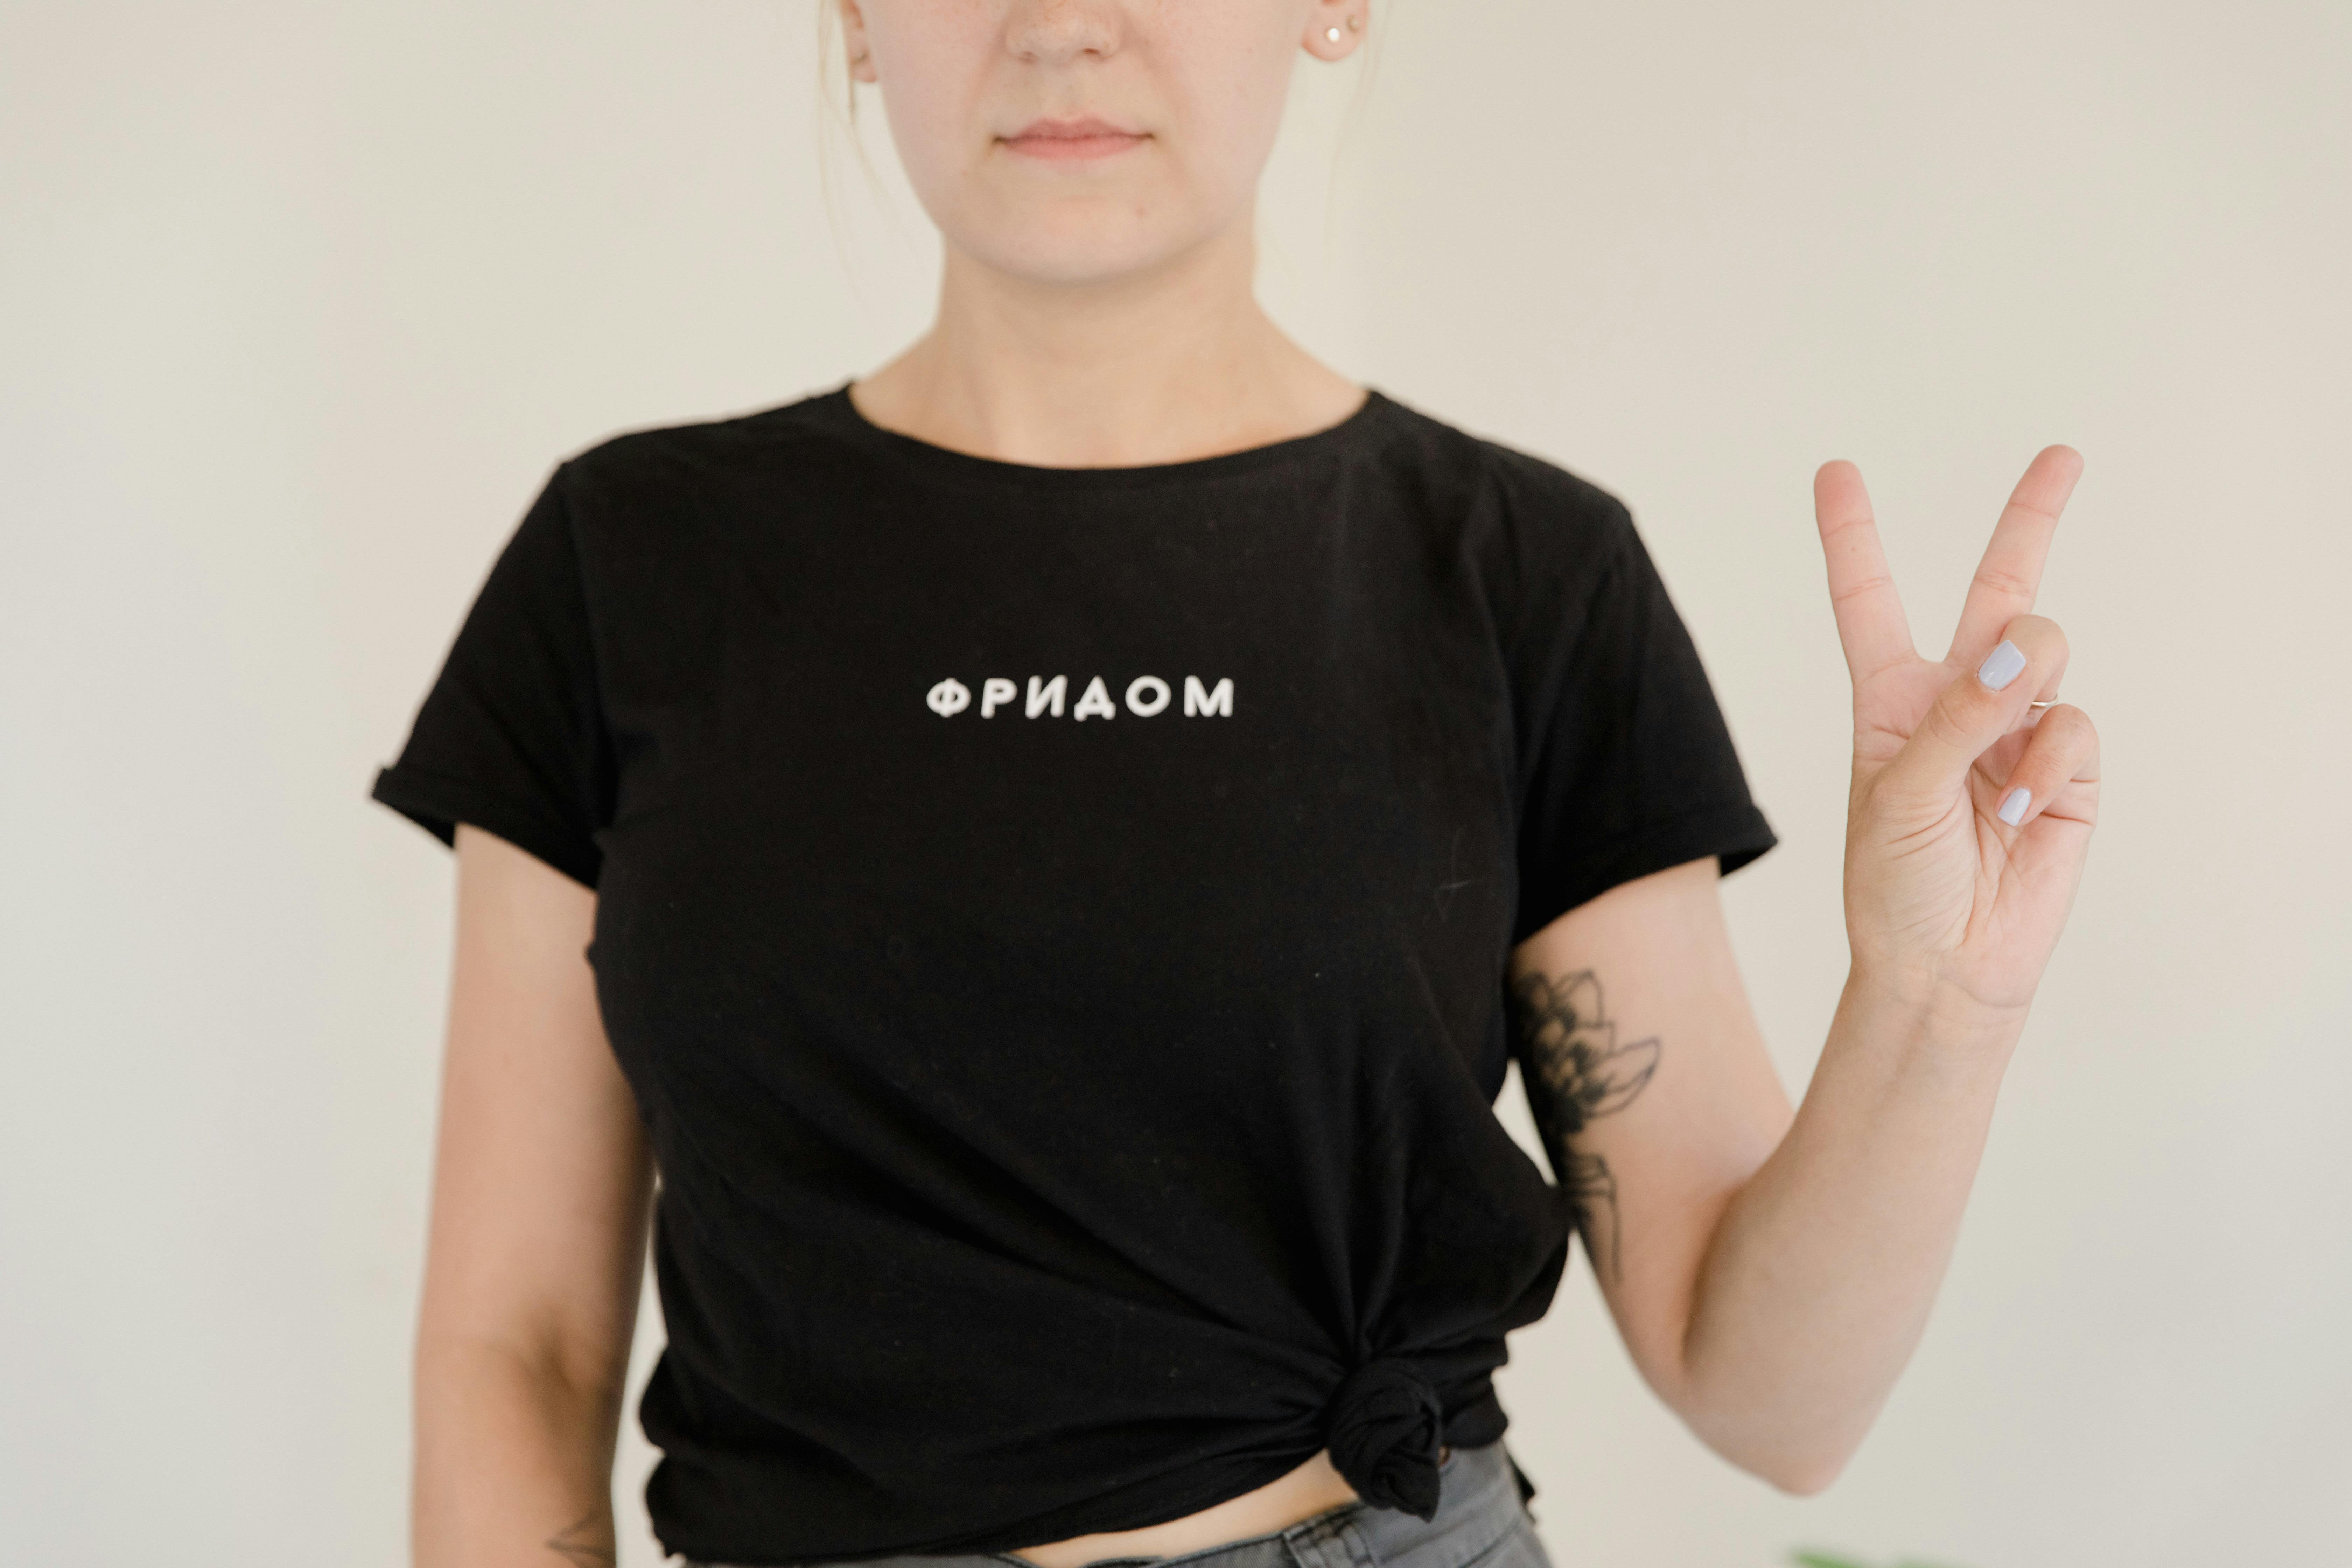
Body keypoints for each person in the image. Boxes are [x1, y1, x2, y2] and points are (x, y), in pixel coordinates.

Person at [366, 4, 2101, 1567]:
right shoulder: (633, 561)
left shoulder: (1521, 575)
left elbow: (1767, 1398)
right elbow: (520, 1340)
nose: (1060, 27)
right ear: (858, 21)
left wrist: (1933, 1001)